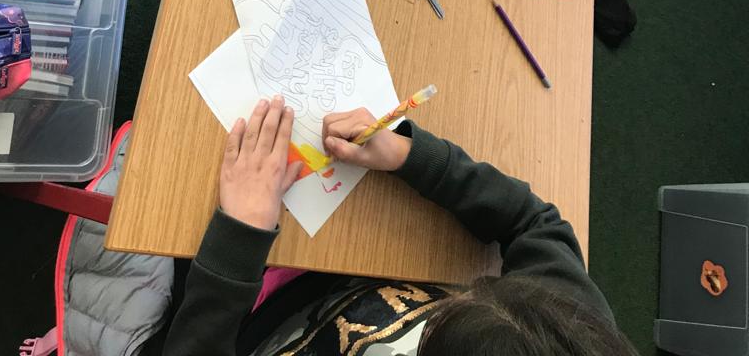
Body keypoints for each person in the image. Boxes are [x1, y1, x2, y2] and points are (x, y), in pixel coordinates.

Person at [162, 95, 639, 356]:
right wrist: (410, 156)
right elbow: (534, 222)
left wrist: (239, 234)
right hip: (338, 285)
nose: (462, 292)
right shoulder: (571, 332)